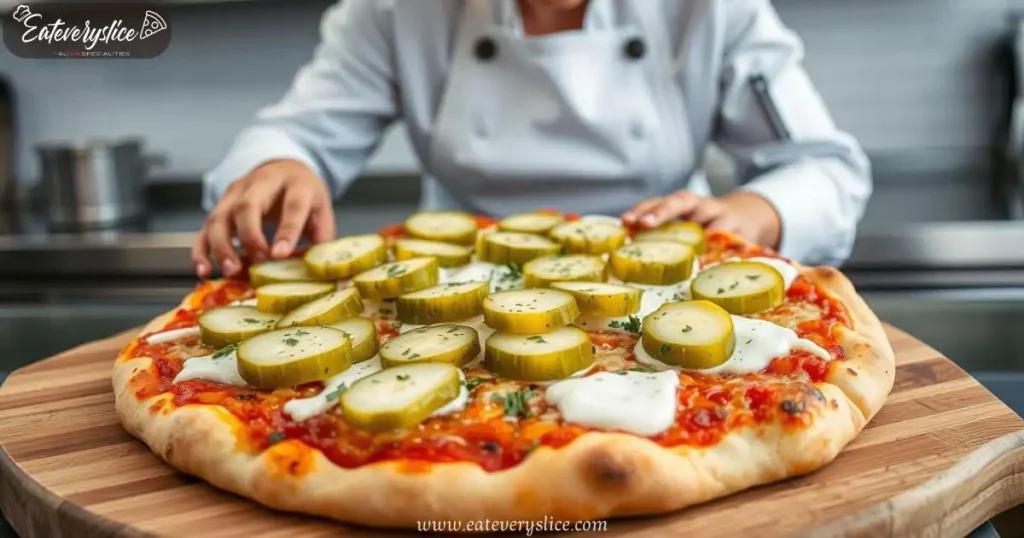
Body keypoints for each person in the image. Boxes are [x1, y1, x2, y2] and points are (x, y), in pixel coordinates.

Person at [192, 0, 871, 279]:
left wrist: (751, 213)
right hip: (450, 285)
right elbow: (298, 131)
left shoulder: (711, 8)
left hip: (672, 282)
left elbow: (826, 168)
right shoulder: (392, 11)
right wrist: (279, 165)